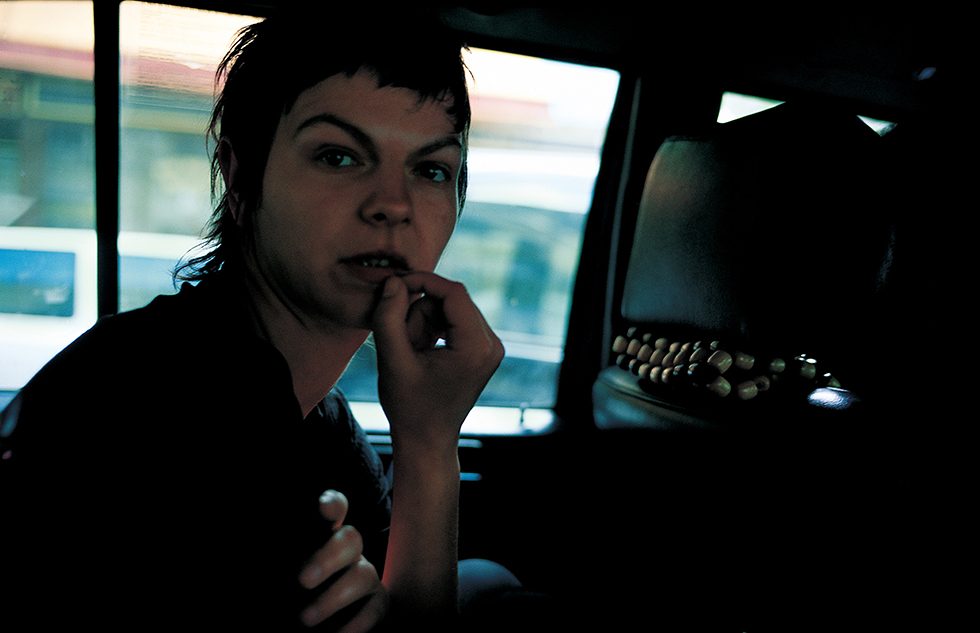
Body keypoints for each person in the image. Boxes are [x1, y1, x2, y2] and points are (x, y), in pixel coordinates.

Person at [0, 6, 503, 631]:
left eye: (431, 170)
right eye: (339, 157)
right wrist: (428, 446)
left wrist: (429, 436)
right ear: (239, 178)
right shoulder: (159, 404)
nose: (393, 206)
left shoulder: (320, 417)